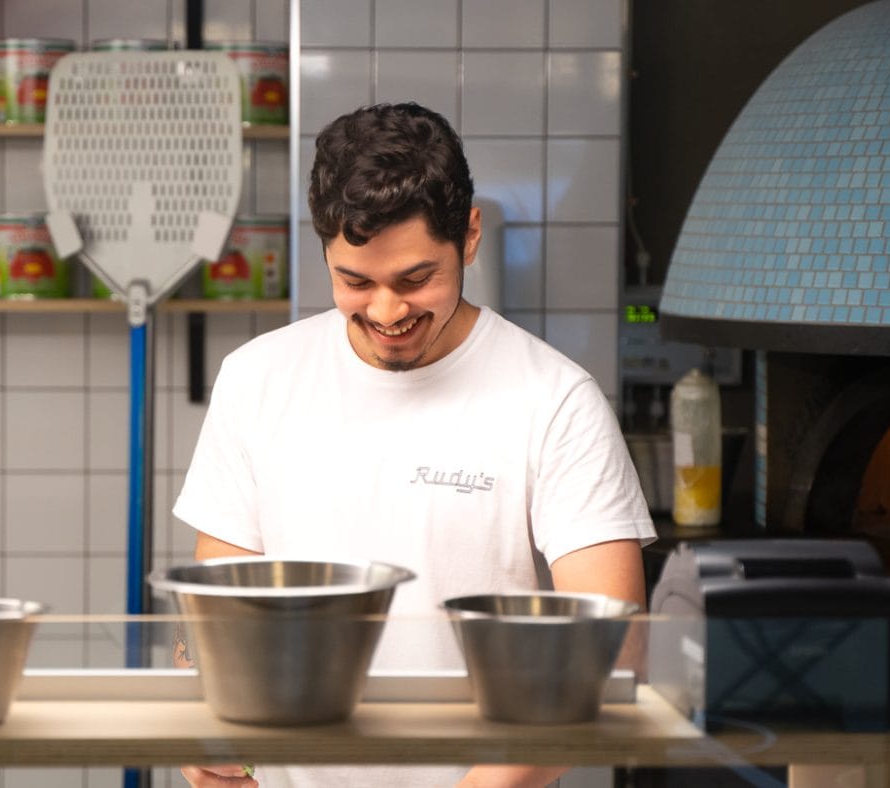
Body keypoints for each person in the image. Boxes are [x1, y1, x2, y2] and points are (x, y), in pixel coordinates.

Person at [172, 101, 656, 788]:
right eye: (355, 281)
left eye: (416, 279)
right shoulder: (257, 378)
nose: (387, 312)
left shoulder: (553, 400)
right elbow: (219, 609)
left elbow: (612, 652)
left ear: (471, 235)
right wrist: (206, 732)